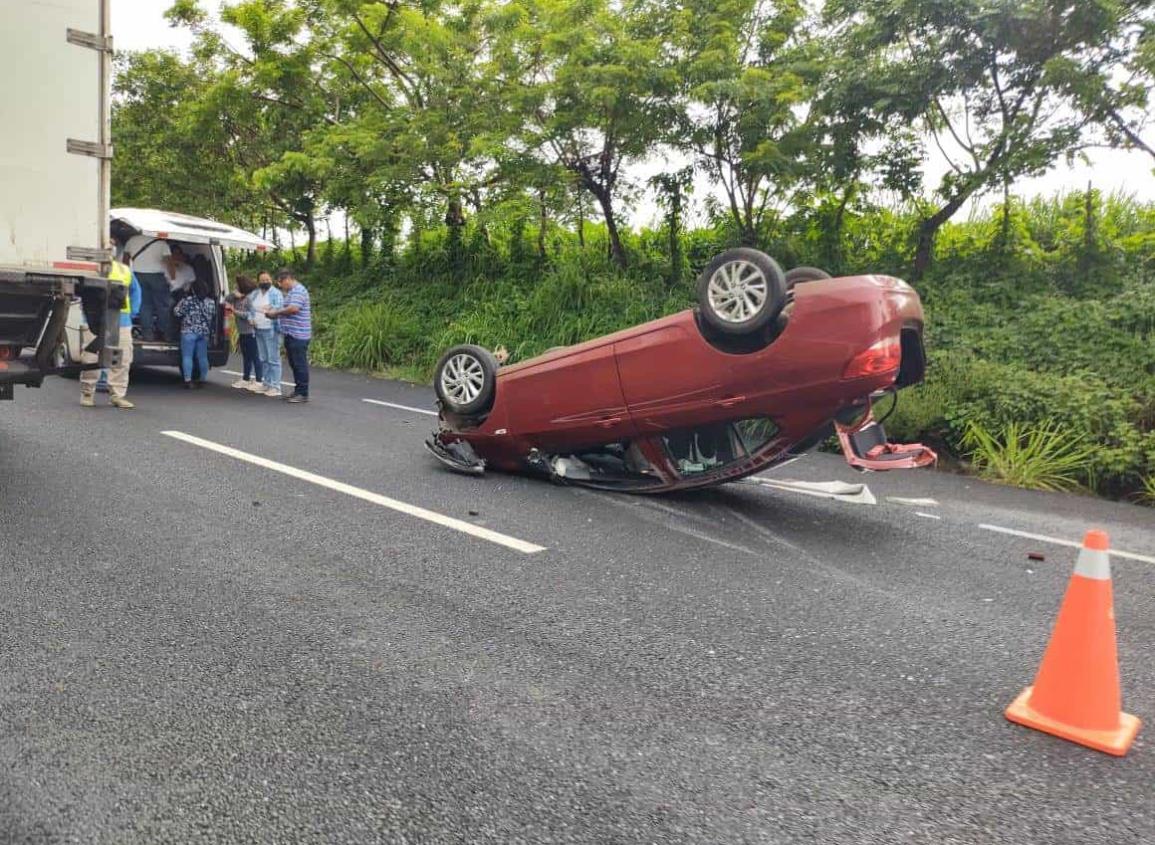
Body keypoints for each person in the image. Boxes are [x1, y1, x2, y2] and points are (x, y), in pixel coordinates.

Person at [81, 240, 140, 409]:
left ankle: (117, 395)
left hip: (121, 320)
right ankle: (87, 392)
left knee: (122, 359)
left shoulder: (124, 270)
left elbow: (136, 292)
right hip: (94, 320)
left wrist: (132, 312)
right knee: (90, 357)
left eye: (110, 247)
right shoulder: (90, 269)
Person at [264, 268, 311, 403]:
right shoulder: (291, 292)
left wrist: (276, 313)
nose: (280, 285)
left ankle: (303, 393)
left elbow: (293, 309)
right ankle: (297, 390)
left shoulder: (299, 291)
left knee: (299, 364)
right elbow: (286, 309)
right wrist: (274, 313)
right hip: (290, 333)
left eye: (281, 282)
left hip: (299, 335)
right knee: (294, 364)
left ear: (288, 279)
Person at [173, 277, 216, 388]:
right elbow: (213, 315)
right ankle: (202, 379)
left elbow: (177, 312)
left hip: (188, 331)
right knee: (202, 357)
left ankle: (188, 380)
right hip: (204, 332)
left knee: (187, 356)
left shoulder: (188, 300)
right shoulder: (211, 302)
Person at [250, 271, 284, 397]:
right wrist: (250, 318)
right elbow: (249, 308)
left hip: (271, 329)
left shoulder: (276, 293)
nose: (265, 282)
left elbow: (278, 307)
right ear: (258, 281)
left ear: (271, 280)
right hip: (258, 328)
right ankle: (266, 383)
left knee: (273, 358)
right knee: (263, 358)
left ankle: (275, 386)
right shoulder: (255, 293)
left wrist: (269, 308)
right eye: (262, 280)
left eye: (267, 279)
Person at [132, 237, 173, 341]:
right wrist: (173, 276)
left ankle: (148, 335)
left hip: (138, 275)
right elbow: (168, 261)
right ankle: (165, 334)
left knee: (144, 306)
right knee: (162, 306)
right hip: (157, 276)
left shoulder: (132, 240)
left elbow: (125, 259)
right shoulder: (162, 243)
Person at [227, 274, 263, 390]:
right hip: (242, 332)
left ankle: (259, 380)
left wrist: (235, 311)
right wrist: (234, 294)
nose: (235, 286)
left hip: (250, 331)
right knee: (246, 356)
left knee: (255, 356)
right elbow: (226, 300)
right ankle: (246, 378)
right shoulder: (237, 298)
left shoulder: (249, 300)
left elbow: (251, 315)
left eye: (237, 285)